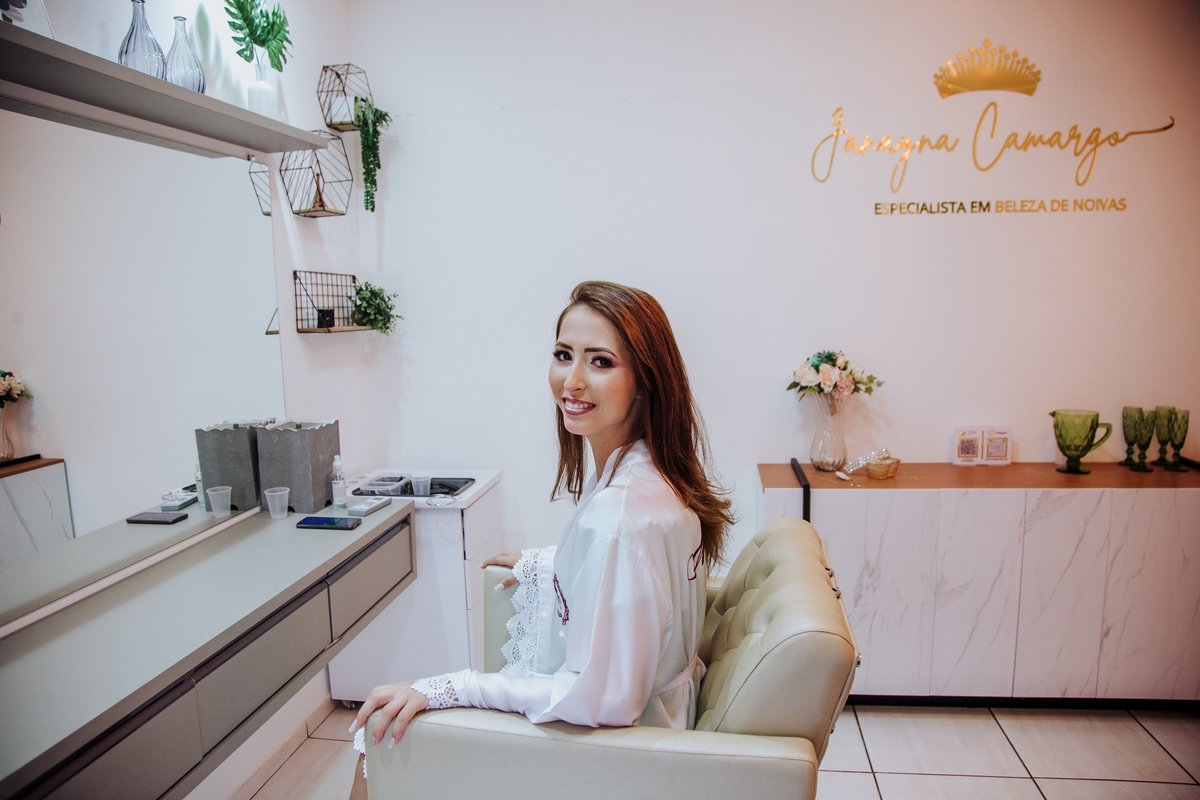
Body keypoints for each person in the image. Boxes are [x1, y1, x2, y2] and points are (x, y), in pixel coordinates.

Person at [350, 280, 733, 749]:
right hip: (661, 722)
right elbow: (635, 581)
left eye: (600, 362)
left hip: (624, 754)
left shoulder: (617, 520)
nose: (571, 381)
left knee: (377, 739)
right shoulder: (652, 474)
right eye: (563, 355)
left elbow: (598, 700)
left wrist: (454, 687)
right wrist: (548, 564)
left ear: (645, 380)